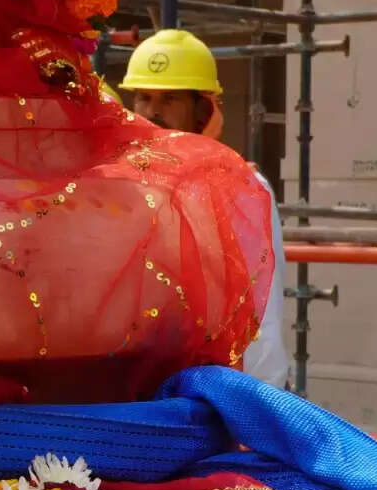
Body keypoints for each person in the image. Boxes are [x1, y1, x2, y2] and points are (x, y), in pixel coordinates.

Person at [119, 27, 290, 388]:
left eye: (169, 100)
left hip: (209, 381)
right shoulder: (117, 184)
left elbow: (262, 304)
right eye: (144, 99)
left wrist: (260, 398)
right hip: (134, 381)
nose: (153, 113)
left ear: (201, 110)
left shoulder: (241, 186)